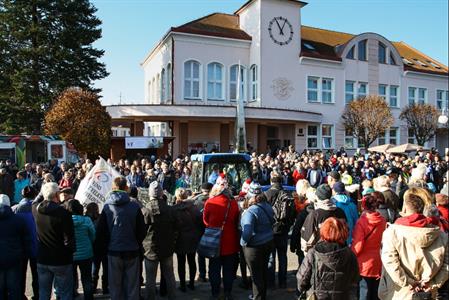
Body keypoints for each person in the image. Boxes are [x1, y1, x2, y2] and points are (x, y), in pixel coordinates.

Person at [378, 188, 449, 300]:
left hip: (400, 292)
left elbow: (390, 263)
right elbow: (446, 266)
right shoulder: (441, 235)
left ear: (405, 207)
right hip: (428, 293)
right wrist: (432, 284)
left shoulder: (392, 232)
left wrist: (409, 282)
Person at [96, 176, 146, 300]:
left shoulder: (107, 207)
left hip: (115, 251)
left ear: (113, 187)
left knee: (115, 286)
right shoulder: (134, 206)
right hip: (131, 250)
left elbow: (101, 232)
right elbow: (142, 230)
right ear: (126, 188)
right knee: (132, 286)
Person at [297, 217, 359, 300]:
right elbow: (355, 280)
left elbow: (302, 279)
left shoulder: (313, 253)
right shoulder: (350, 254)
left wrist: (304, 290)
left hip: (318, 296)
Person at [32, 182, 75, 300]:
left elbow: (36, 200)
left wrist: (44, 189)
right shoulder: (64, 213)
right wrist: (71, 252)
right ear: (57, 194)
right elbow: (69, 238)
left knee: (44, 293)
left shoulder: (36, 209)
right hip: (61, 259)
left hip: (43, 257)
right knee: (65, 293)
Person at [203, 175, 240, 300]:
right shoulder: (233, 203)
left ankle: (215, 293)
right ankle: (228, 293)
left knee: (214, 269)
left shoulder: (210, 202)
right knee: (228, 270)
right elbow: (236, 220)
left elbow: (205, 221)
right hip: (230, 242)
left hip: (214, 241)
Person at [142, 181, 178, 300]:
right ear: (162, 193)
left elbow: (141, 231)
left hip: (150, 249)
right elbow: (176, 228)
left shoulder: (145, 210)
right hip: (166, 248)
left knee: (150, 278)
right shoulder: (170, 209)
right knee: (169, 276)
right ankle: (172, 297)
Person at [240, 182, 274, 300]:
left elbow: (247, 231)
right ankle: (262, 295)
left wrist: (242, 242)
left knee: (256, 274)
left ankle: (257, 297)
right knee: (263, 270)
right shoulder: (267, 206)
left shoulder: (250, 212)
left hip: (255, 246)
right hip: (268, 241)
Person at [351, 194, 387, 300]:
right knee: (375, 293)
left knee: (364, 293)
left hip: (364, 264)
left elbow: (358, 246)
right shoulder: (382, 220)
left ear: (363, 206)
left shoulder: (362, 222)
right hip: (378, 261)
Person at [0, 194, 32, 299]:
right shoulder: (18, 220)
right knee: (14, 287)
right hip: (14, 257)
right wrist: (25, 254)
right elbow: (26, 239)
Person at [264, 175, 293, 289]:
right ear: (282, 182)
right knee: (283, 256)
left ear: (271, 182)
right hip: (283, 229)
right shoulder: (287, 194)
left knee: (271, 257)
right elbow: (292, 213)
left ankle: (271, 282)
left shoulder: (266, 194)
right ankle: (283, 281)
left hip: (270, 230)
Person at [301, 184, 346, 254]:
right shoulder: (340, 212)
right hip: (339, 253)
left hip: (321, 255)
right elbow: (345, 233)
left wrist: (308, 254)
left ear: (317, 197)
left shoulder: (315, 215)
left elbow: (307, 240)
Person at [173, 188, 203, 292]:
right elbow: (200, 222)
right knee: (192, 260)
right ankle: (191, 283)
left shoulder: (174, 209)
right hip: (193, 237)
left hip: (180, 238)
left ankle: (182, 285)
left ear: (177, 196)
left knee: (181, 262)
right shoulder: (194, 207)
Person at [12, 186, 39, 300]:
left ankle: (21, 295)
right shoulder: (38, 208)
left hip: (20, 246)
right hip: (36, 245)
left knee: (20, 274)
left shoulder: (14, 209)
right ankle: (37, 295)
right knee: (37, 273)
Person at [67, 199, 95, 300]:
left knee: (71, 277)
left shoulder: (66, 221)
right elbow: (93, 235)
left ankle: (73, 294)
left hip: (71, 253)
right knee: (86, 278)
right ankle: (88, 297)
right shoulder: (87, 220)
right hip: (86, 253)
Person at [85, 202, 109, 295]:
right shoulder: (102, 218)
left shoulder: (87, 219)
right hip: (104, 247)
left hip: (93, 248)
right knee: (106, 269)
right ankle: (105, 288)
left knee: (94, 269)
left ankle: (93, 287)